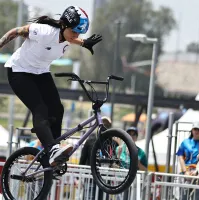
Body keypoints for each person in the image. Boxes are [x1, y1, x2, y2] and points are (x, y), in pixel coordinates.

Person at [0, 6, 102, 166]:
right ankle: (52, 148)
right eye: (74, 31)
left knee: (58, 109)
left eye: (79, 33)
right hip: (19, 71)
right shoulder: (44, 31)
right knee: (40, 109)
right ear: (63, 25)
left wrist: (84, 43)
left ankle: (54, 154)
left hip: (40, 72)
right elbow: (16, 31)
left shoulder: (68, 37)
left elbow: (70, 38)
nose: (76, 35)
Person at [78, 116, 112, 200]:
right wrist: (78, 178)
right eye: (103, 123)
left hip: (105, 180)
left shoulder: (111, 141)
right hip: (90, 178)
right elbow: (83, 158)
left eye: (107, 125)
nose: (105, 126)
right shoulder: (90, 139)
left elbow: (114, 160)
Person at [116, 126, 147, 200]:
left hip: (134, 183)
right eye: (129, 134)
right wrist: (118, 157)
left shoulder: (141, 152)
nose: (131, 136)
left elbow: (145, 170)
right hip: (121, 182)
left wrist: (138, 163)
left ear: (136, 137)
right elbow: (114, 167)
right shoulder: (119, 149)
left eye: (134, 135)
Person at [176, 121, 199, 200]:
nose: (197, 131)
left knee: (197, 197)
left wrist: (196, 172)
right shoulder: (185, 142)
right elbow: (180, 156)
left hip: (197, 174)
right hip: (185, 172)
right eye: (195, 129)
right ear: (192, 130)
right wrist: (185, 171)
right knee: (183, 197)